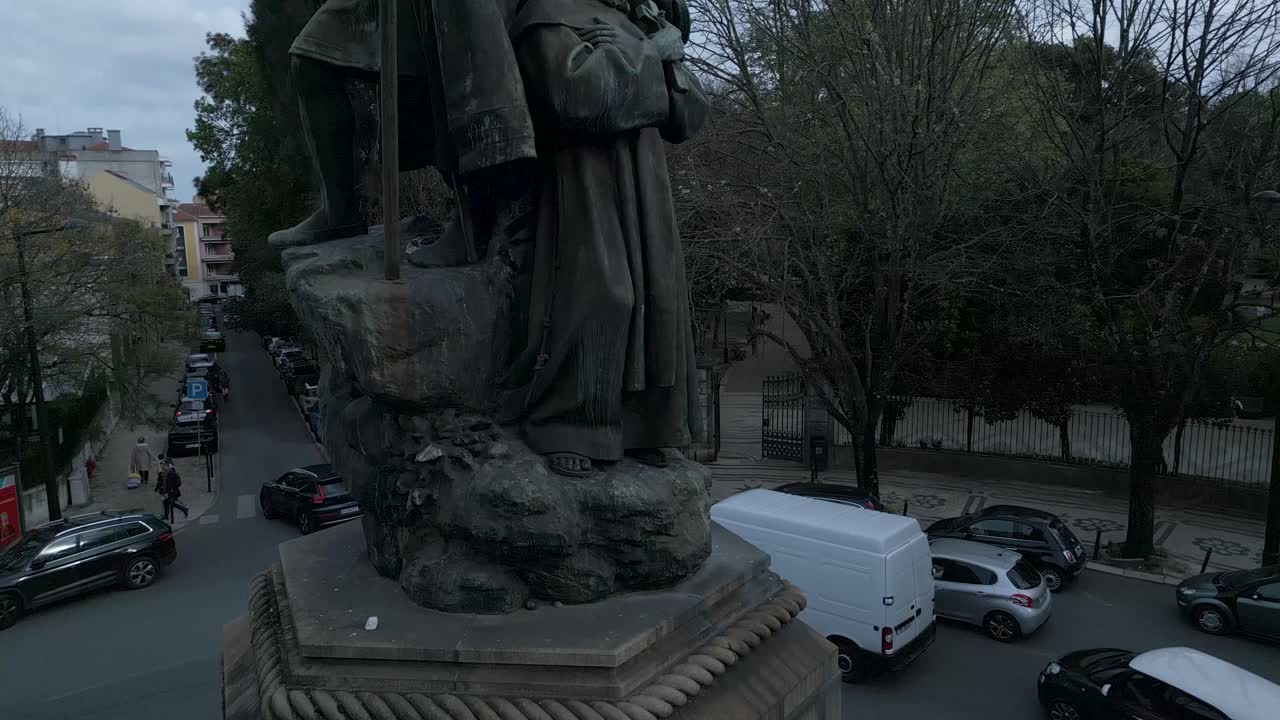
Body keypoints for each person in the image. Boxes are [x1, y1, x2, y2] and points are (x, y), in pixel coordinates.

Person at [502, 0, 707, 477]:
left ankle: (645, 426)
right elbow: (579, 97)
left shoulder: (639, 20)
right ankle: (568, 422)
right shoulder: (547, 13)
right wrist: (648, 56)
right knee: (605, 291)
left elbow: (690, 115)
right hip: (584, 176)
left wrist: (658, 54)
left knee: (660, 301)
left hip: (645, 183)